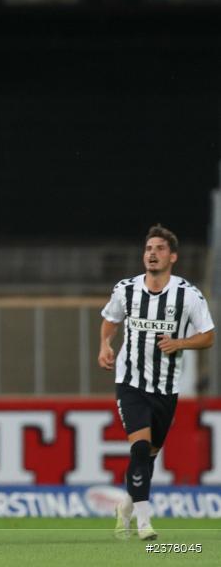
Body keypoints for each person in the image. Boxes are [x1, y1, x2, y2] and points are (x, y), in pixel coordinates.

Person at [98, 225, 214, 541]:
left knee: (148, 456)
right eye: (149, 248)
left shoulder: (187, 295)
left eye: (160, 248)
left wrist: (180, 344)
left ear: (172, 256)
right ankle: (145, 521)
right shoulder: (126, 289)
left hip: (166, 387)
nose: (152, 253)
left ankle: (126, 505)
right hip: (131, 382)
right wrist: (105, 345)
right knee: (138, 448)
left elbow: (208, 336)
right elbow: (110, 320)